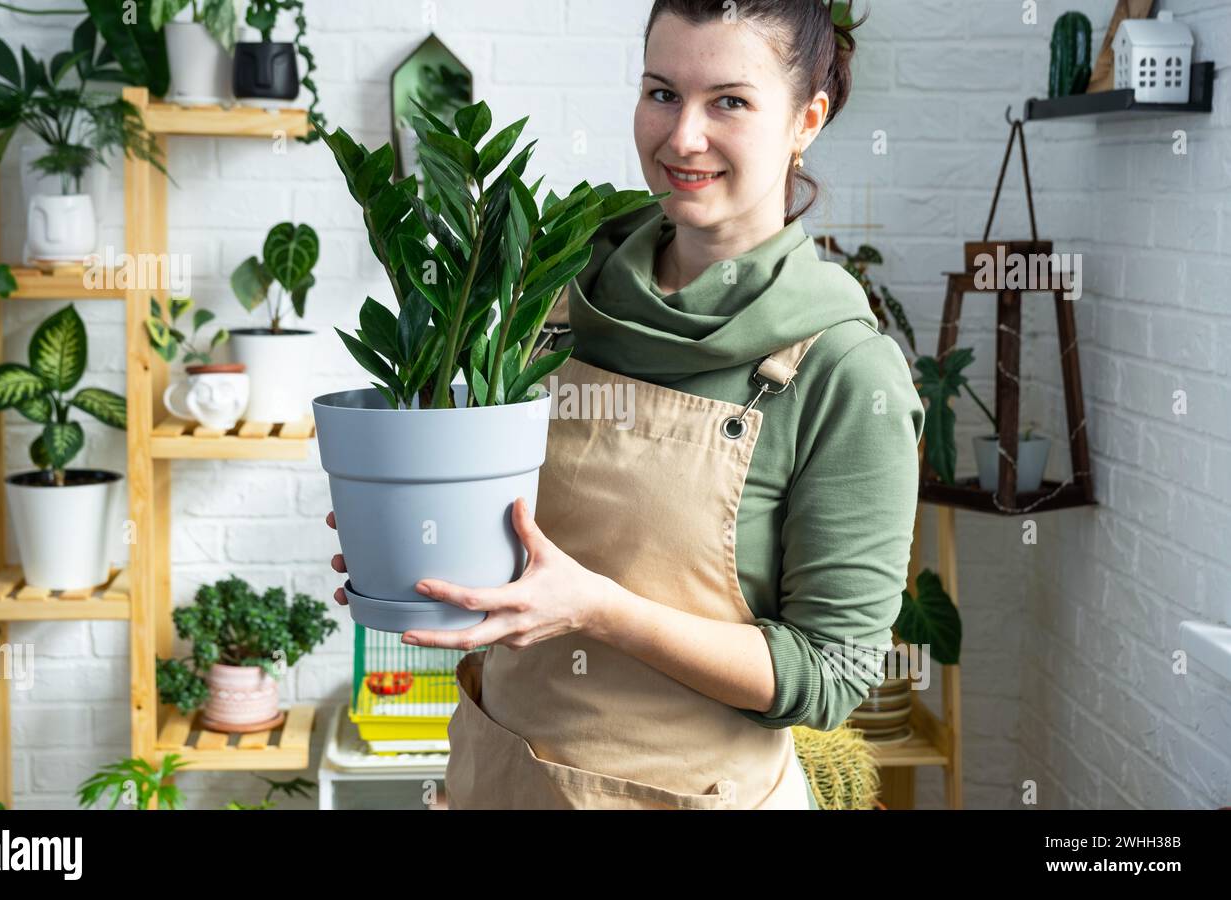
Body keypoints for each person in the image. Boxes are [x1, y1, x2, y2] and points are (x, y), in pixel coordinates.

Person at [326, 0, 923, 809]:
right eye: (662, 92)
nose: (683, 138)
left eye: (730, 102)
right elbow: (512, 529)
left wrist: (600, 613)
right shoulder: (555, 289)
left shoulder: (844, 369)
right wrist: (413, 524)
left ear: (806, 120)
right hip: (499, 778)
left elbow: (830, 676)